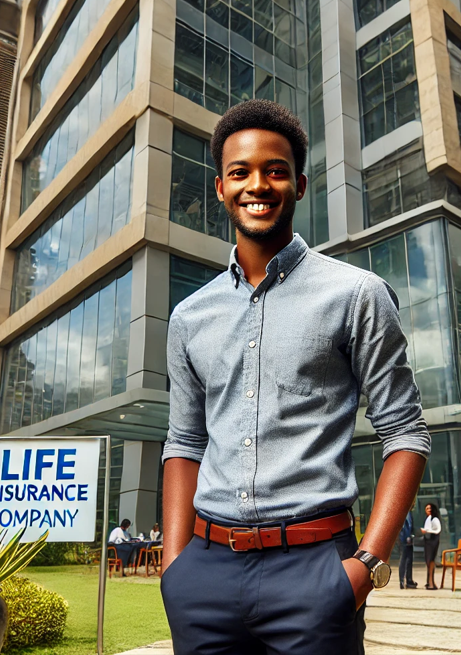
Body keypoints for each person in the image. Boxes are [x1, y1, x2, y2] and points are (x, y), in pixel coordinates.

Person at [159, 99, 430, 655]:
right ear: (220, 188)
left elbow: (406, 434)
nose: (257, 185)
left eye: (274, 171)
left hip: (316, 569)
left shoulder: (357, 295)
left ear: (299, 185)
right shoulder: (189, 317)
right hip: (204, 573)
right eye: (240, 173)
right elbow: (184, 443)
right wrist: (174, 566)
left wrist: (366, 567)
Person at [419, 503, 442, 590]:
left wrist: (427, 531)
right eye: (426, 508)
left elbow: (438, 530)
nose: (428, 510)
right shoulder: (428, 518)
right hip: (428, 541)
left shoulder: (435, 519)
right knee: (428, 561)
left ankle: (431, 582)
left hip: (433, 541)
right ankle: (429, 581)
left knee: (431, 560)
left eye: (429, 508)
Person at [398, 507, 418, 589]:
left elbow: (410, 526)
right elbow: (404, 527)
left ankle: (409, 580)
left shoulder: (409, 512)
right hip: (404, 539)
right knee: (404, 559)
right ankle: (402, 581)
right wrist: (407, 537)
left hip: (408, 539)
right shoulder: (403, 512)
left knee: (409, 559)